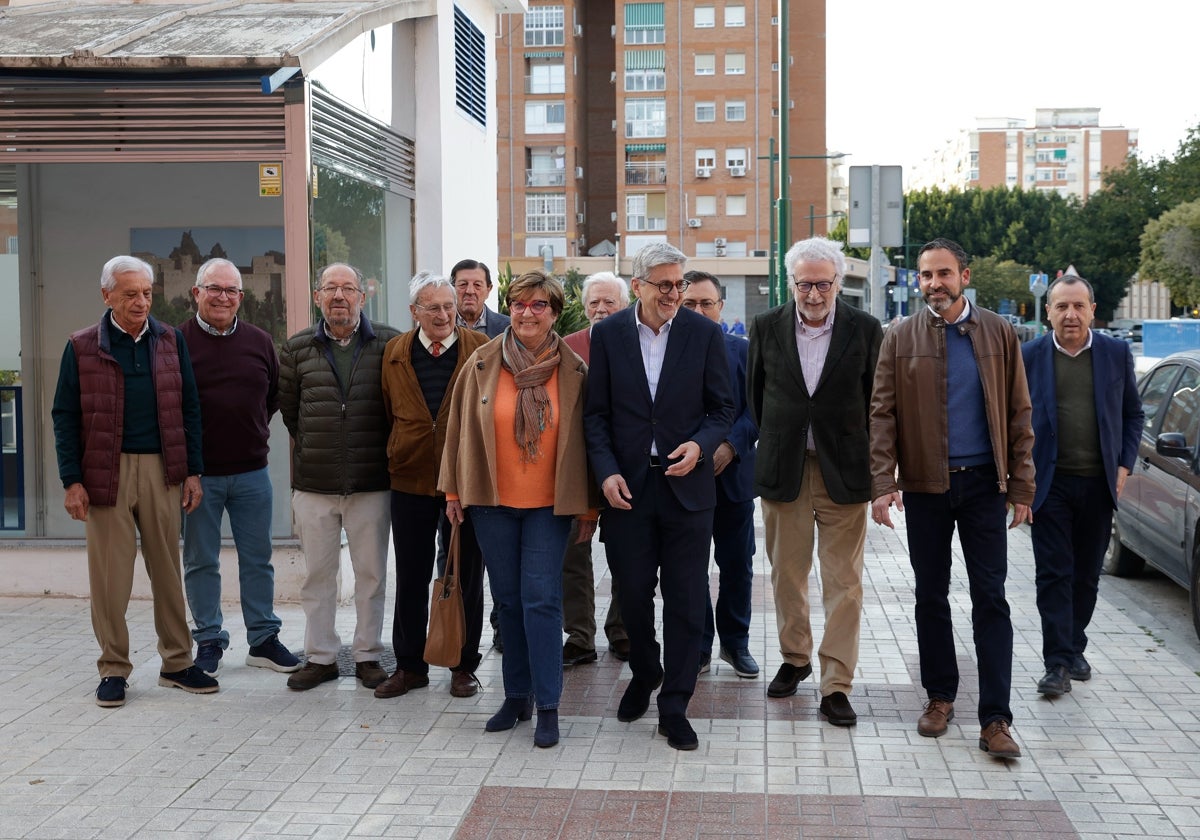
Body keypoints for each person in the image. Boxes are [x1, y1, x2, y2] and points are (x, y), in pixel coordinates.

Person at [869, 238, 1035, 760]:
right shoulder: (900, 335)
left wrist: (1023, 487)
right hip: (924, 486)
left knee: (991, 598)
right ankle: (939, 697)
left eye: (943, 274)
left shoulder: (999, 333)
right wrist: (882, 481)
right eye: (925, 275)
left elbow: (1019, 414)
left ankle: (995, 719)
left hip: (986, 485)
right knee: (930, 596)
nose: (934, 284)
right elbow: (882, 414)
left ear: (964, 275)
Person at [584, 242, 735, 751]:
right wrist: (604, 472)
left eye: (679, 284)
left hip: (687, 489)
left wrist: (701, 444)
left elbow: (722, 410)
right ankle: (645, 671)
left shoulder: (705, 334)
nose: (674, 293)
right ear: (638, 286)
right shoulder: (606, 335)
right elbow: (596, 416)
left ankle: (674, 704)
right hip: (627, 489)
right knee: (631, 596)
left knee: (687, 600)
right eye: (664, 285)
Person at [440, 269, 595, 749]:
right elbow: (457, 428)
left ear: (554, 312)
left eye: (539, 305)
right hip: (491, 503)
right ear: (509, 307)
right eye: (520, 304)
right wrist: (451, 492)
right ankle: (517, 696)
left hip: (550, 506)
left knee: (542, 601)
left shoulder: (574, 370)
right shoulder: (483, 362)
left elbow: (591, 442)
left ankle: (548, 705)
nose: (528, 313)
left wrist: (589, 508)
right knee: (507, 603)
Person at [52, 255, 217, 707]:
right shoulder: (83, 345)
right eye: (130, 294)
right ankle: (113, 669)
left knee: (167, 571)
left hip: (164, 471)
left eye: (146, 293)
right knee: (110, 579)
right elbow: (64, 416)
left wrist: (192, 471)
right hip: (106, 472)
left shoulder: (169, 341)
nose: (141, 302)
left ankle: (178, 663)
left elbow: (190, 408)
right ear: (107, 296)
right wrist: (72, 480)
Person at [747, 238, 882, 726]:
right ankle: (795, 658)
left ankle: (836, 684)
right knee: (786, 573)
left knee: (843, 582)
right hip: (785, 469)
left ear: (838, 283)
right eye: (804, 283)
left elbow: (877, 404)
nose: (813, 293)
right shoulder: (765, 327)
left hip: (843, 471)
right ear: (792, 283)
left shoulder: (866, 331)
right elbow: (756, 397)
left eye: (823, 283)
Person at [279, 263, 400, 691]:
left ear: (362, 298)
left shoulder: (389, 343)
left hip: (371, 482)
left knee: (371, 574)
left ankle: (367, 655)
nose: (339, 297)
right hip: (314, 485)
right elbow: (292, 415)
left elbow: (396, 406)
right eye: (330, 288)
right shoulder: (296, 349)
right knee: (318, 576)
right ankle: (321, 657)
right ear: (317, 298)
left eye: (348, 288)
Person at [1022, 272, 1143, 696]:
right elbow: (1012, 419)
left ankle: (1074, 646)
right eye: (1061, 306)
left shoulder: (1115, 353)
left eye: (1078, 306)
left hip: (1098, 484)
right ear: (1048, 312)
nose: (1070, 315)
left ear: (1093, 310)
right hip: (1048, 484)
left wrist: (1124, 467)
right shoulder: (1029, 356)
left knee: (1087, 575)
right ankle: (1056, 661)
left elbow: (1132, 415)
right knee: (1054, 573)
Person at [180, 258, 300, 676]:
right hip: (198, 476)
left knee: (257, 557)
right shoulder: (175, 342)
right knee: (200, 560)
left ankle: (263, 640)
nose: (223, 297)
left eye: (231, 291)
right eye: (214, 289)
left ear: (241, 298)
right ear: (196, 292)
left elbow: (272, 397)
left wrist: (247, 431)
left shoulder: (260, 341)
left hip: (252, 472)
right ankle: (209, 640)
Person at [375, 273, 489, 701]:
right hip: (410, 479)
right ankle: (409, 666)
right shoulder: (394, 353)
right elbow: (389, 411)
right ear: (414, 312)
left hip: (466, 480)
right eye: (433, 307)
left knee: (463, 575)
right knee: (411, 574)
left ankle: (463, 665)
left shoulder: (480, 348)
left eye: (448, 306)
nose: (444, 315)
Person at [681, 270, 759, 679]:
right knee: (690, 569)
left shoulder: (742, 351)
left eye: (705, 303)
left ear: (720, 307)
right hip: (683, 481)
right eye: (689, 303)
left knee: (737, 566)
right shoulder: (668, 353)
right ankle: (700, 646)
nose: (697, 310)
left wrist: (731, 445)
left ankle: (735, 643)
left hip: (733, 481)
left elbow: (757, 408)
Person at [561, 271, 629, 665]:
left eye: (610, 303)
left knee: (626, 557)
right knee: (573, 557)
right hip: (575, 472)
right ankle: (580, 636)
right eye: (594, 303)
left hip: (625, 470)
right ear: (584, 307)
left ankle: (621, 630)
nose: (601, 309)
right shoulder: (567, 349)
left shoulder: (638, 345)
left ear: (624, 306)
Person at [453, 258, 510, 339]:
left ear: (488, 289)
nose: (470, 291)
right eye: (463, 284)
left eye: (477, 285)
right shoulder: (441, 325)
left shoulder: (508, 328)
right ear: (452, 288)